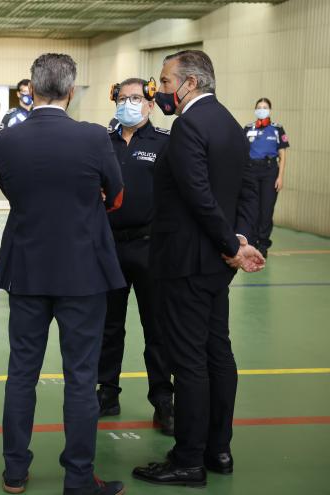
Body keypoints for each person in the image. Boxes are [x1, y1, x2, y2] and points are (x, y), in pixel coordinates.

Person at [0, 53, 126, 495]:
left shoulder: (6, 140)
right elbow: (115, 193)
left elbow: (13, 190)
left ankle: (15, 472)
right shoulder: (92, 138)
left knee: (21, 373)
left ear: (30, 89)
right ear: (71, 91)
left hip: (27, 269)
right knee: (81, 377)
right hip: (82, 271)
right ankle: (78, 477)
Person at [132, 49, 264, 489]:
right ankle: (217, 448)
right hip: (216, 266)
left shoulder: (189, 125)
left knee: (188, 362)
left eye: (166, 83)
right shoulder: (228, 122)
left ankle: (188, 459)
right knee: (217, 354)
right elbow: (247, 189)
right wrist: (240, 241)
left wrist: (232, 244)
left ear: (190, 83)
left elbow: (197, 195)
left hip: (186, 263)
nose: (162, 90)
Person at [97, 77, 174, 436]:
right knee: (108, 326)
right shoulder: (101, 142)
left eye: (136, 98)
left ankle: (163, 400)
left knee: (156, 327)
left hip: (150, 247)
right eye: (123, 98)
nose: (129, 103)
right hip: (109, 246)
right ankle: (107, 393)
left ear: (150, 102)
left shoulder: (164, 144)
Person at [243, 97, 289, 257]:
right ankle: (252, 241)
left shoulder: (277, 129)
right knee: (251, 209)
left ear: (269, 110)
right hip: (250, 171)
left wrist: (280, 177)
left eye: (265, 107)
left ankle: (263, 243)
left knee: (266, 209)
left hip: (270, 172)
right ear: (255, 110)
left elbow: (283, 155)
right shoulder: (248, 128)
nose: (261, 109)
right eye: (259, 107)